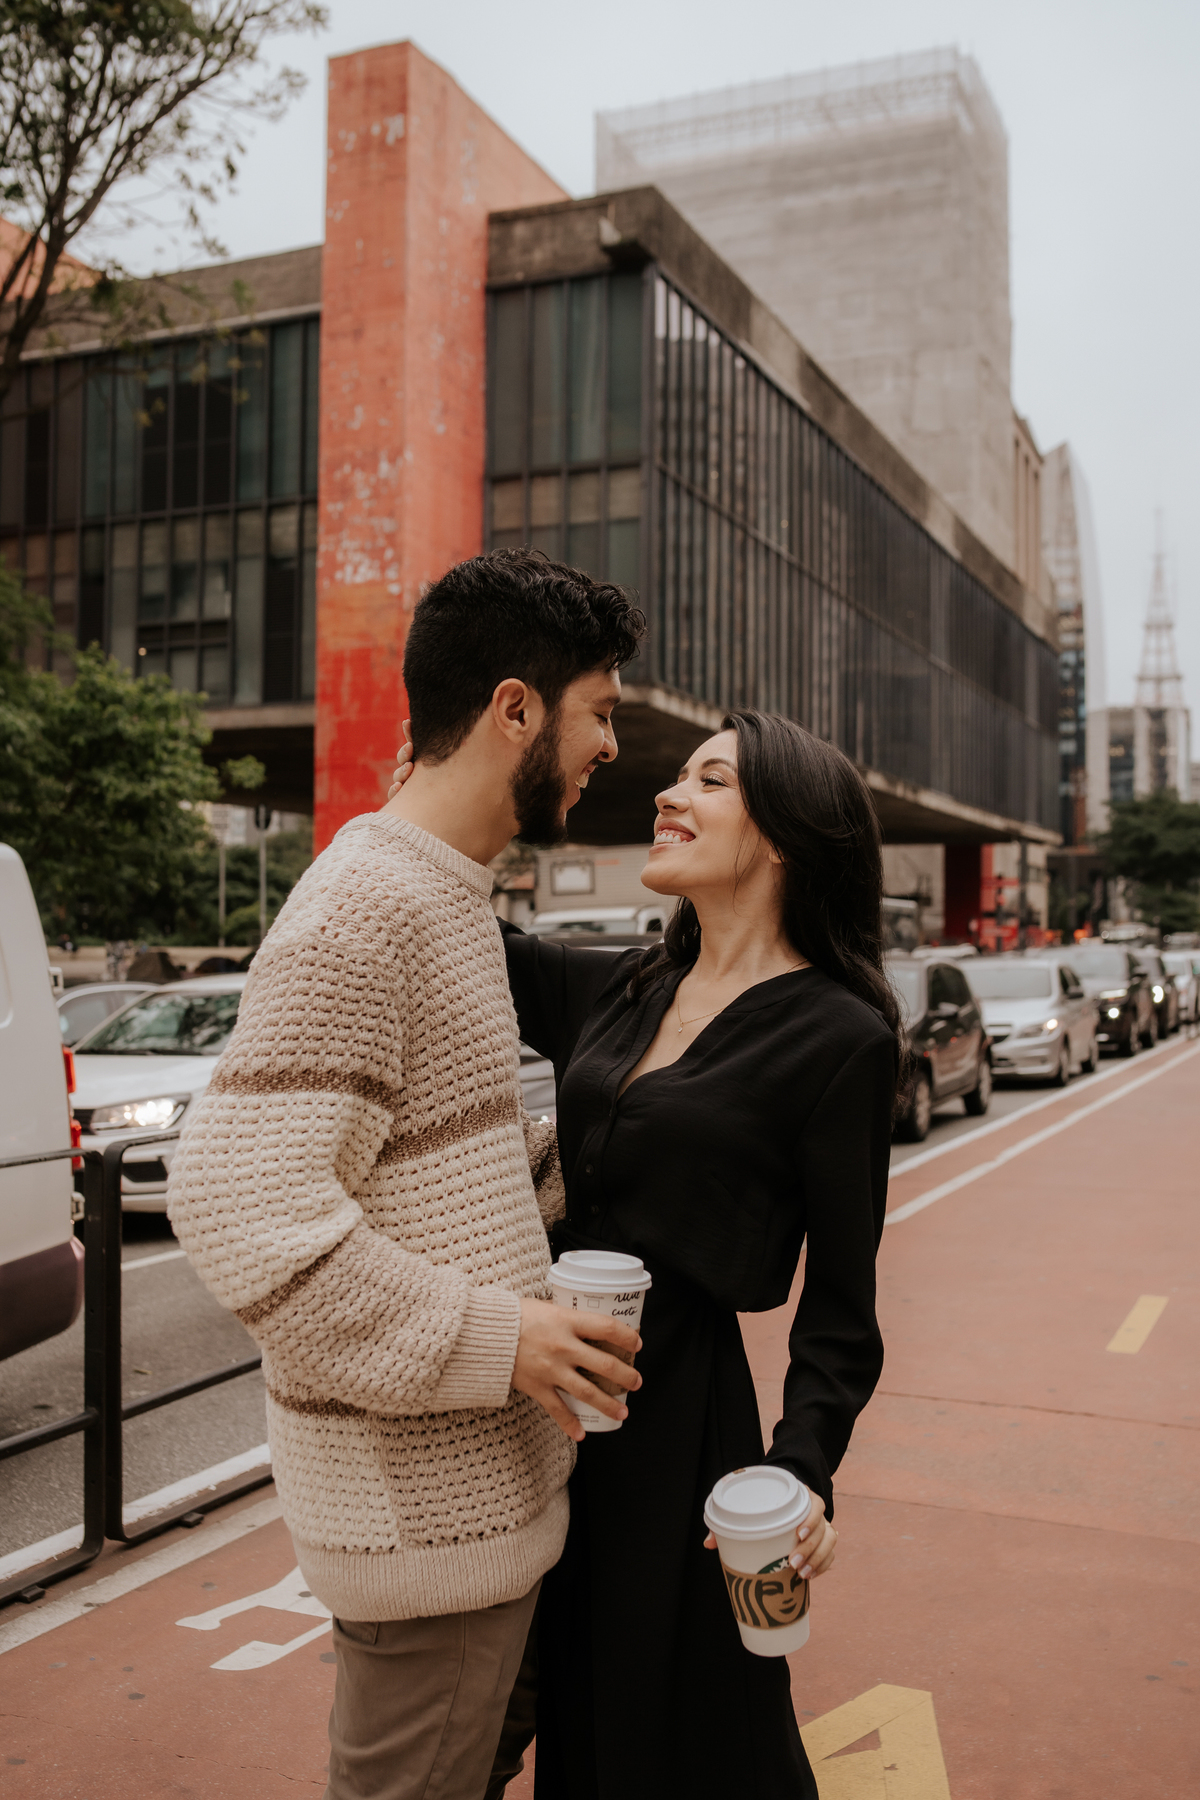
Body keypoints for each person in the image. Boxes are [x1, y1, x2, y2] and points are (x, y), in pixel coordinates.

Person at [168, 548, 645, 1800]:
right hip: (423, 1533)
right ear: (515, 710)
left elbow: (445, 1163)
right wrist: (505, 1341)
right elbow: (238, 1207)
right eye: (600, 712)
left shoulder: (445, 894)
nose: (608, 747)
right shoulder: (367, 909)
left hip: (486, 1511)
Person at [393, 707, 903, 1799]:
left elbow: (841, 1310)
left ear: (782, 835)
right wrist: (442, 774)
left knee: (671, 1734)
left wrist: (800, 1468)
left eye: (709, 781)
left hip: (676, 1432)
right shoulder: (624, 983)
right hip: (529, 1400)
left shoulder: (842, 1036)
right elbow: (445, 922)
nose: (668, 795)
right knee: (513, 1714)